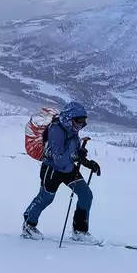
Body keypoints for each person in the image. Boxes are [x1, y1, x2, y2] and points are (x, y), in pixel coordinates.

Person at [22, 102, 101, 242]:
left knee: (86, 195)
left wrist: (88, 163)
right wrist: (76, 156)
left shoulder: (72, 131)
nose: (80, 125)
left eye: (82, 122)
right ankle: (29, 225)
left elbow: (74, 151)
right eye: (78, 121)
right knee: (45, 198)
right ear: (69, 118)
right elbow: (58, 158)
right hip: (52, 170)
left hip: (69, 169)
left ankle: (80, 231)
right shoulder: (56, 130)